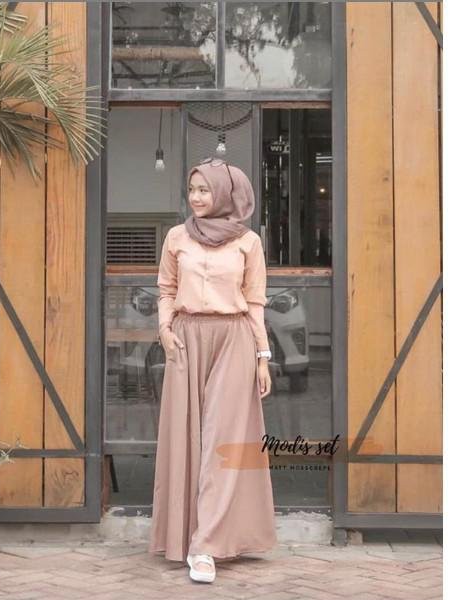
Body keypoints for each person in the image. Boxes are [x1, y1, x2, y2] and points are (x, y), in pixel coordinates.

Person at [148, 157, 278, 583]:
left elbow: (255, 301)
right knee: (187, 438)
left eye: (205, 189)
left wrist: (263, 356)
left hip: (233, 340)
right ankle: (185, 536)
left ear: (224, 193)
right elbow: (166, 289)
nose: (197, 197)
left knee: (222, 442)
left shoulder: (248, 242)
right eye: (192, 189)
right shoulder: (176, 237)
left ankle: (205, 546)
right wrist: (164, 329)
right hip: (186, 339)